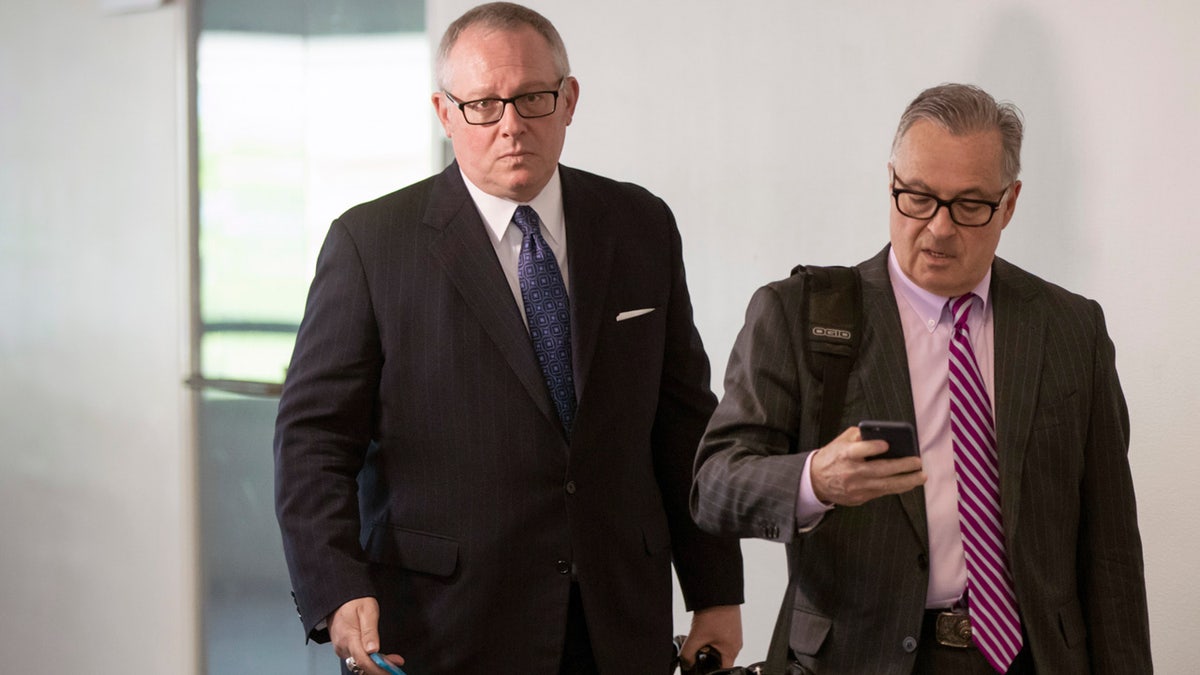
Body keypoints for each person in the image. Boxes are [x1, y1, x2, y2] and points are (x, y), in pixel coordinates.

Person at [273, 3, 743, 674]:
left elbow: (683, 423)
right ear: (444, 113)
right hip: (447, 623)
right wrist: (337, 587)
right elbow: (313, 440)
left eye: (531, 98)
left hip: (619, 620)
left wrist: (716, 590)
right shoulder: (371, 245)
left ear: (569, 99)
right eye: (483, 106)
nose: (512, 125)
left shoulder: (639, 224)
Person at [691, 83, 1151, 674]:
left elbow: (1111, 546)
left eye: (969, 206)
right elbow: (713, 486)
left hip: (1033, 657)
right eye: (917, 198)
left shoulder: (1070, 328)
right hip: (859, 658)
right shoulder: (799, 313)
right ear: (891, 183)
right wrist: (814, 480)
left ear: (1008, 205)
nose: (937, 229)